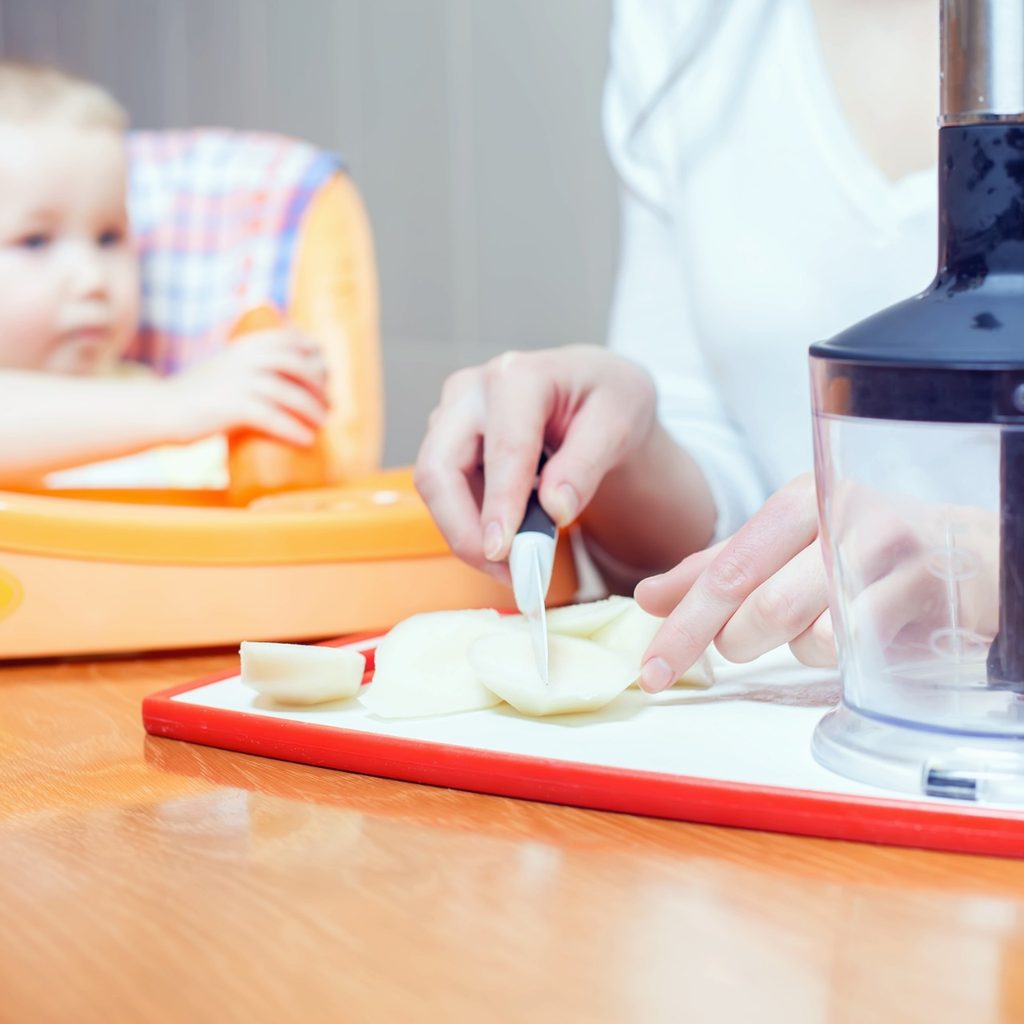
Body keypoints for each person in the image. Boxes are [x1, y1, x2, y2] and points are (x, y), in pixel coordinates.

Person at [414, 0, 939, 691]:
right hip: (793, 717)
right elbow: (717, 500)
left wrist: (994, 558)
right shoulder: (680, 17)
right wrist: (627, 450)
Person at [0, 61, 328, 487]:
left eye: (109, 238)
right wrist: (173, 405)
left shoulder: (190, 408)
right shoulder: (174, 405)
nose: (92, 279)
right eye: (35, 241)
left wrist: (281, 394)